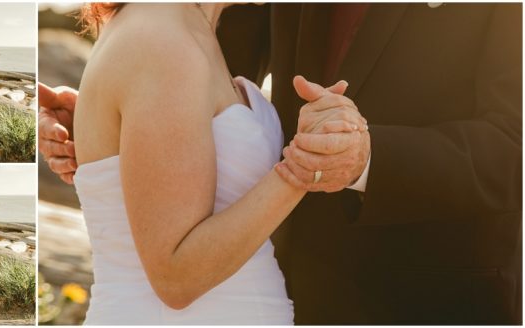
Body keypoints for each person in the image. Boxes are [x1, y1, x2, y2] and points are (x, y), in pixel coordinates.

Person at [39, 3, 522, 324]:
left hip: (429, 297)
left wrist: (363, 157)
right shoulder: (182, 25)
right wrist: (117, 129)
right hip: (270, 289)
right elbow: (178, 82)